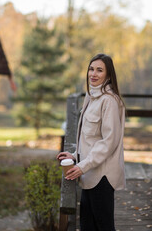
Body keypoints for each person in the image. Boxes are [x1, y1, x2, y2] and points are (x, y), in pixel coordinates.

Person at [57, 53, 126, 231]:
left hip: (101, 177)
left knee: (104, 227)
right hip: (88, 174)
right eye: (91, 69)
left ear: (109, 76)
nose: (93, 74)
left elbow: (108, 142)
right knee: (87, 227)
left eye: (99, 70)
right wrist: (74, 156)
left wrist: (82, 166)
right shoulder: (91, 96)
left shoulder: (109, 101)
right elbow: (89, 137)